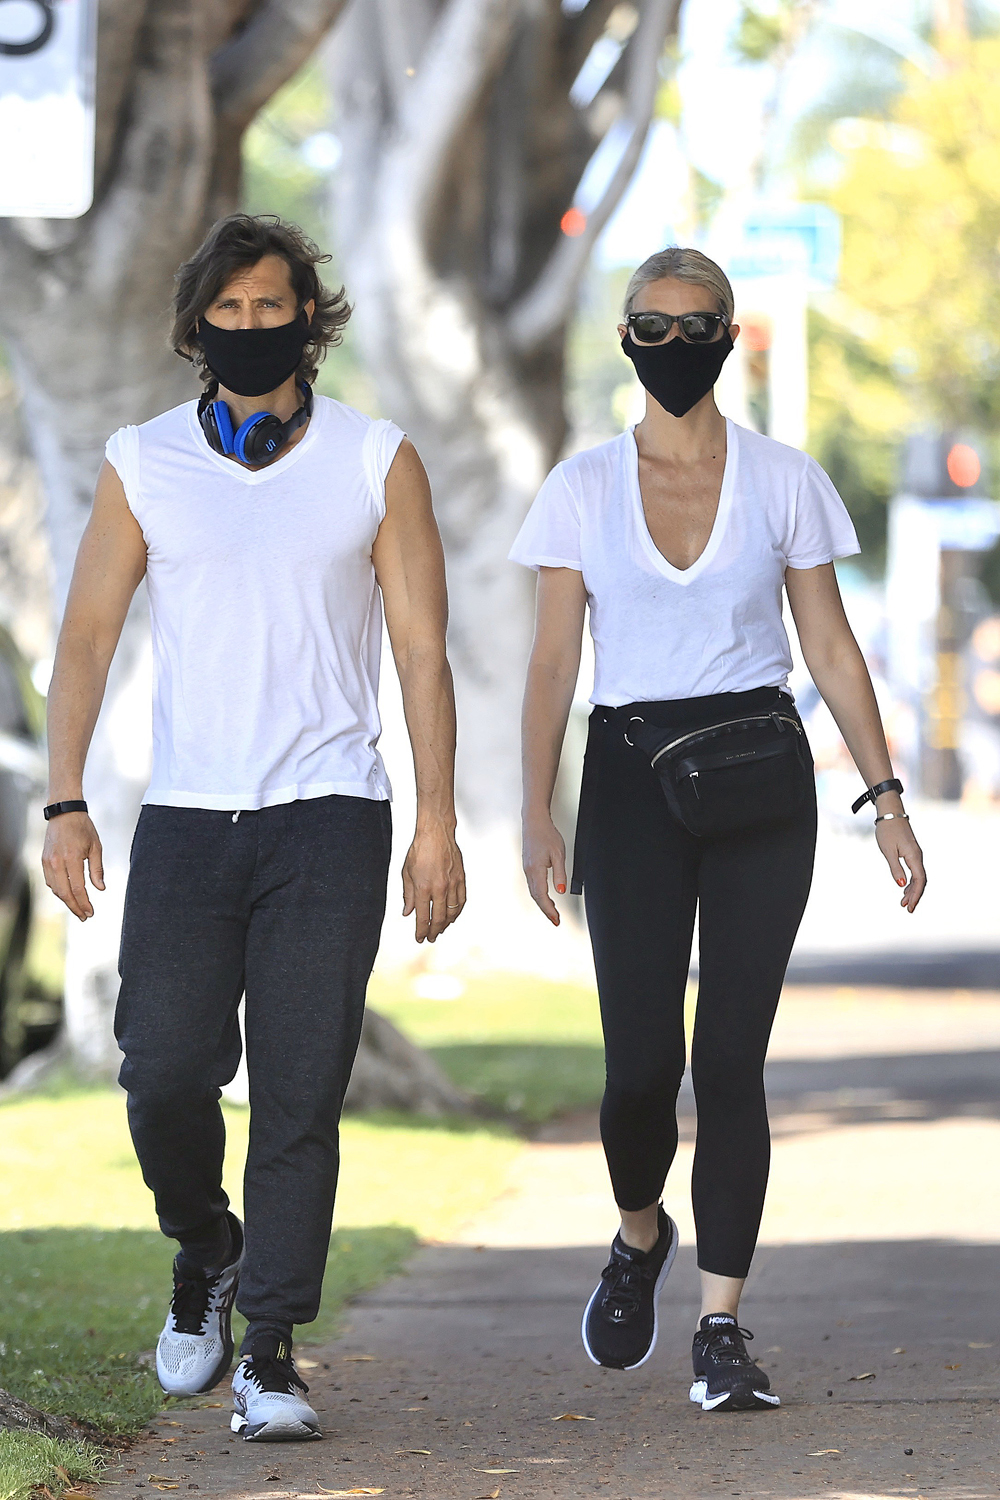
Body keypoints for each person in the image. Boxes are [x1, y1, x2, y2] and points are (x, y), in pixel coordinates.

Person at [41, 214, 465, 1442]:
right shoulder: (144, 460)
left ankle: (271, 1350)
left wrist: (436, 822)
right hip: (186, 819)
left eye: (267, 307)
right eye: (224, 313)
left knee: (297, 1093)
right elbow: (84, 639)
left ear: (306, 320)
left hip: (329, 818)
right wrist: (65, 799)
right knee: (163, 1070)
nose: (246, 328)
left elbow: (422, 650)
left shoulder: (375, 458)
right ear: (195, 328)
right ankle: (205, 1248)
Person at [510, 247, 926, 1413]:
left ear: (730, 338)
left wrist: (885, 801)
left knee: (727, 1064)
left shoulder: (786, 480)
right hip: (632, 783)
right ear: (628, 339)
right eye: (654, 325)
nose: (675, 344)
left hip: (758, 781)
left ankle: (722, 1327)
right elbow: (552, 662)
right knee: (638, 1070)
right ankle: (640, 1233)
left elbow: (832, 650)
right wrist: (535, 807)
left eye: (698, 326)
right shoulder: (581, 489)